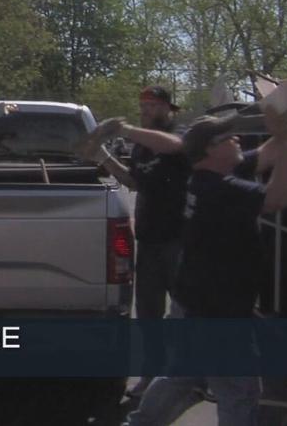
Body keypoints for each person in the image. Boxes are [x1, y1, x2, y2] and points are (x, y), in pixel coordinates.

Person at [122, 107, 287, 426]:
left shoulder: (209, 176)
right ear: (210, 150)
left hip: (195, 303)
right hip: (217, 312)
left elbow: (267, 153)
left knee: (182, 377)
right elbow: (277, 198)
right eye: (228, 137)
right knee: (239, 392)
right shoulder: (218, 190)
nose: (237, 139)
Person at [88, 86, 189, 398]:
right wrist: (102, 156)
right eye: (143, 104)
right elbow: (133, 181)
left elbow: (175, 146)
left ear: (169, 108)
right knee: (148, 315)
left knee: (187, 313)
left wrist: (125, 130)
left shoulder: (180, 135)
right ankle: (150, 376)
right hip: (149, 240)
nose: (146, 110)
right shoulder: (141, 147)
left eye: (153, 105)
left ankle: (192, 378)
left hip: (180, 240)